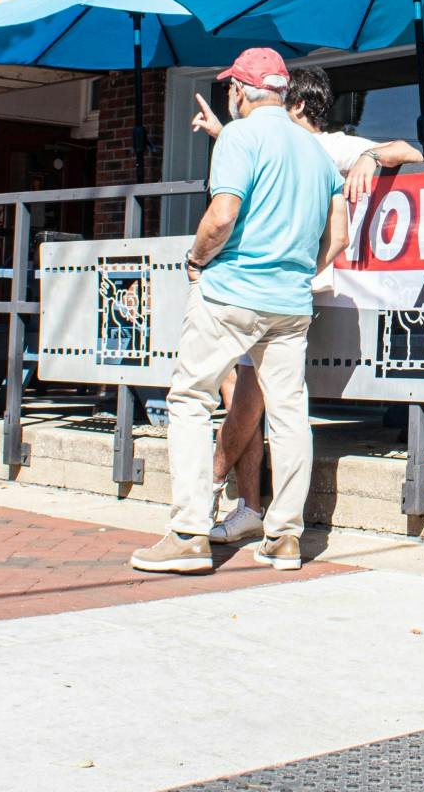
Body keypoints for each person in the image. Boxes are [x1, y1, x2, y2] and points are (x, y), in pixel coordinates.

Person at [131, 48, 346, 574]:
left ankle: (187, 534)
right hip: (290, 303)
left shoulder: (238, 137)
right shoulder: (318, 153)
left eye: (231, 86)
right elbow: (338, 237)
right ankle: (285, 538)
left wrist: (196, 258)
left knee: (189, 398)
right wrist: (296, 271)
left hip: (230, 291)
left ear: (241, 90)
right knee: (291, 414)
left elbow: (222, 213)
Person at [189, 66, 421, 544]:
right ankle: (251, 506)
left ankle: (213, 485)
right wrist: (225, 132)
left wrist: (371, 156)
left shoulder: (326, 147)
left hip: (284, 291)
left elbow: (409, 150)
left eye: (277, 106)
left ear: (296, 107)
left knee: (249, 399)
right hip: (276, 290)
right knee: (245, 395)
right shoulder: (284, 145)